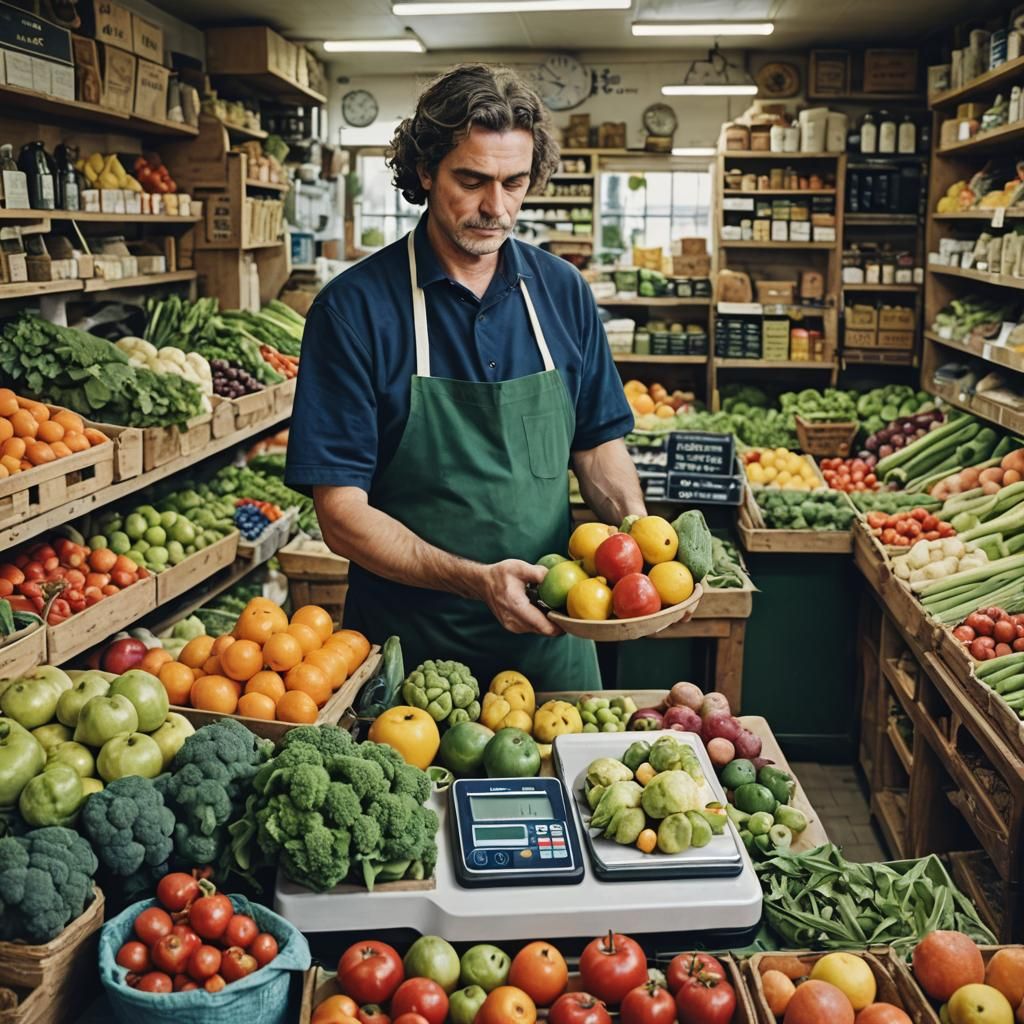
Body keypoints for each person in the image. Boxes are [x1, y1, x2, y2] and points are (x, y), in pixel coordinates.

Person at [285, 63, 646, 690]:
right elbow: (340, 513)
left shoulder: (562, 292)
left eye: (514, 182)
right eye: (472, 180)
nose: (495, 207)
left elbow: (596, 447)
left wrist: (639, 540)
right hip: (409, 663)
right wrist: (476, 580)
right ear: (425, 172)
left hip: (553, 643)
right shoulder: (355, 311)